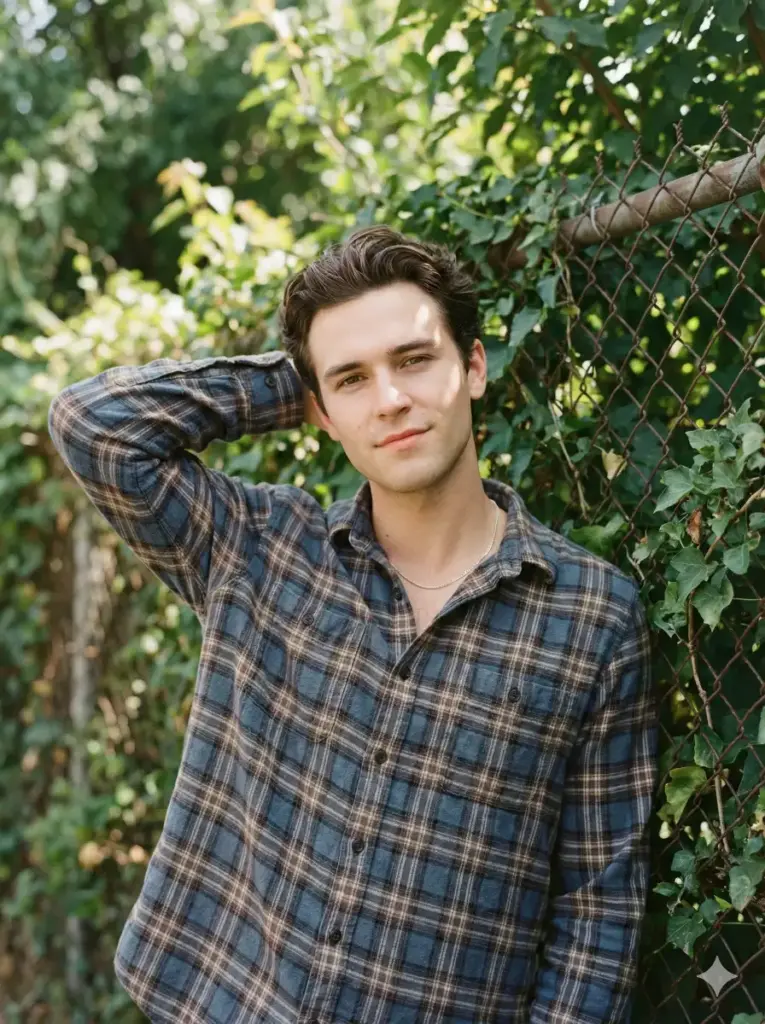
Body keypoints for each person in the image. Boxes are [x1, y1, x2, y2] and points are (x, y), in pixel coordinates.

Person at [47, 225, 658, 1024]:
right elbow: (96, 426)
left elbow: (597, 916)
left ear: (471, 366)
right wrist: (293, 382)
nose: (392, 400)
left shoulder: (593, 618)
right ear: (321, 414)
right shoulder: (255, 549)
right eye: (352, 380)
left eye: (413, 360)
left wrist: (341, 376)